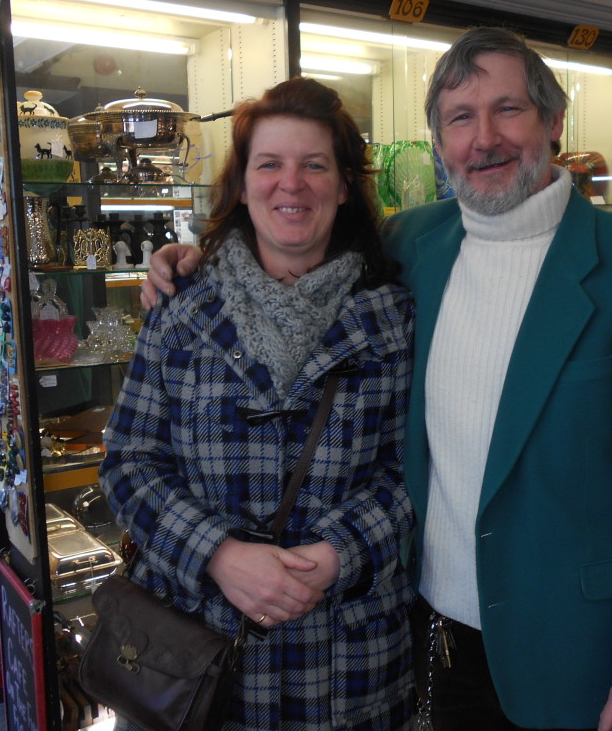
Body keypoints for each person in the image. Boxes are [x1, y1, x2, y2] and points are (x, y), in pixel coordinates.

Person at [143, 27, 612, 731]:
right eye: (460, 118)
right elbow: (294, 239)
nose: (484, 139)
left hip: (574, 654)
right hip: (423, 640)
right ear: (439, 142)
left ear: (554, 121)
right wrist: (191, 260)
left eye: (507, 110)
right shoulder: (411, 245)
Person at [102, 77, 416, 731]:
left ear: (342, 184)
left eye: (314, 165)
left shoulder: (395, 317)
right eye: (269, 164)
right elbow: (129, 464)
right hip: (198, 667)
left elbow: (415, 470)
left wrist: (338, 554)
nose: (290, 184)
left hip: (346, 668)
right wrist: (218, 554)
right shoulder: (182, 308)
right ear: (242, 186)